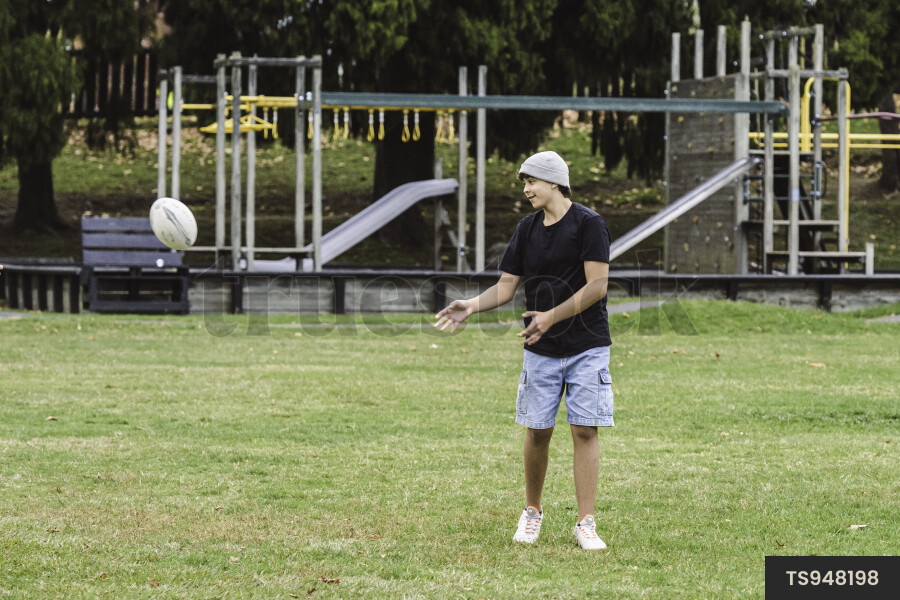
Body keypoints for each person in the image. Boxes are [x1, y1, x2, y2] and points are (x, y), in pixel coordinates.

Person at [434, 150, 613, 551]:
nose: (527, 189)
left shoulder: (589, 224)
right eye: (525, 183)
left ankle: (586, 522)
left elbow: (597, 285)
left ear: (554, 182)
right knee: (538, 430)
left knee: (585, 429)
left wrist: (552, 315)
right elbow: (506, 286)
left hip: (587, 345)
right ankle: (532, 511)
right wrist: (470, 306)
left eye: (531, 181)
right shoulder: (527, 229)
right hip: (540, 347)